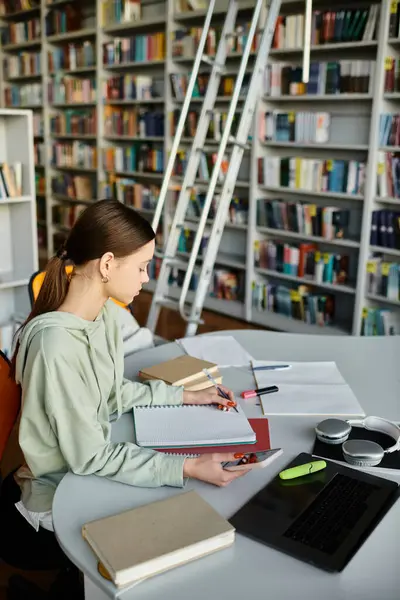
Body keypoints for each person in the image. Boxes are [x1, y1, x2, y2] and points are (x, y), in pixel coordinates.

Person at [0, 200, 249, 599]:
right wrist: (187, 467)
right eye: (141, 266)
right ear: (107, 264)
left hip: (82, 474)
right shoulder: (55, 346)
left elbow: (112, 394)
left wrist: (186, 395)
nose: (146, 279)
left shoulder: (105, 316)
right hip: (57, 497)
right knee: (176, 533)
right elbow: (90, 457)